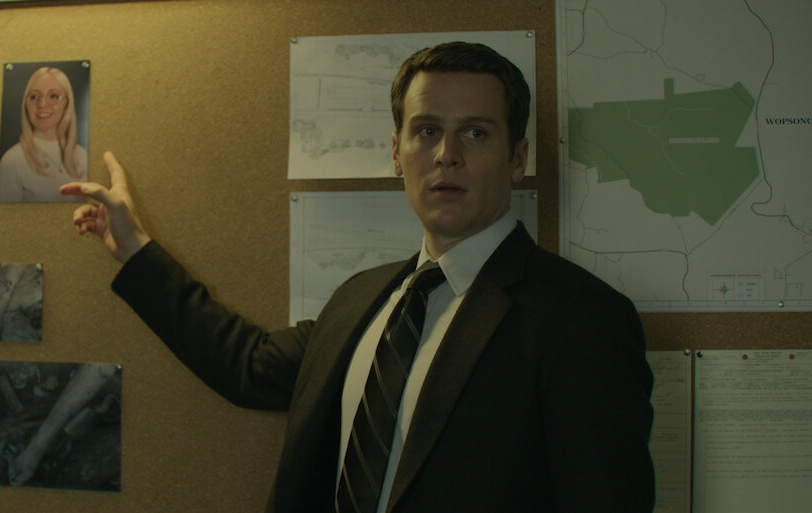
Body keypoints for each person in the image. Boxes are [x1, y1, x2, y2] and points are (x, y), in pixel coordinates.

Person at [61, 42, 655, 512]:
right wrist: (135, 250)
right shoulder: (362, 300)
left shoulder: (582, 319)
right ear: (397, 153)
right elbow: (247, 366)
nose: (446, 154)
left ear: (518, 158)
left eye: (475, 132)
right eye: (426, 131)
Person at [0, 66, 87, 202]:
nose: (42, 104)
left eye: (53, 96)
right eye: (34, 97)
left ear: (67, 103)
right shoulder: (12, 161)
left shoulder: (82, 156)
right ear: (25, 104)